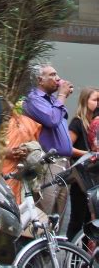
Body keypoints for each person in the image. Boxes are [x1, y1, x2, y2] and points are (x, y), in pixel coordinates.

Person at [23, 64, 73, 224]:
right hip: (49, 163)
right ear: (40, 80)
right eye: (52, 75)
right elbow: (51, 120)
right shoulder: (33, 99)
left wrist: (60, 98)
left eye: (57, 74)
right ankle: (38, 248)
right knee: (44, 212)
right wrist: (63, 95)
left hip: (63, 163)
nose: (57, 78)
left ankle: (51, 247)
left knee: (57, 216)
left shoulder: (53, 100)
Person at [66, 88, 99, 240]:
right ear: (85, 101)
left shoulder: (95, 122)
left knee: (89, 221)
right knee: (77, 218)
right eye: (96, 100)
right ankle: (70, 252)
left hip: (92, 177)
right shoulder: (77, 122)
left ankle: (84, 258)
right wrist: (89, 155)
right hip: (81, 178)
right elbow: (68, 148)